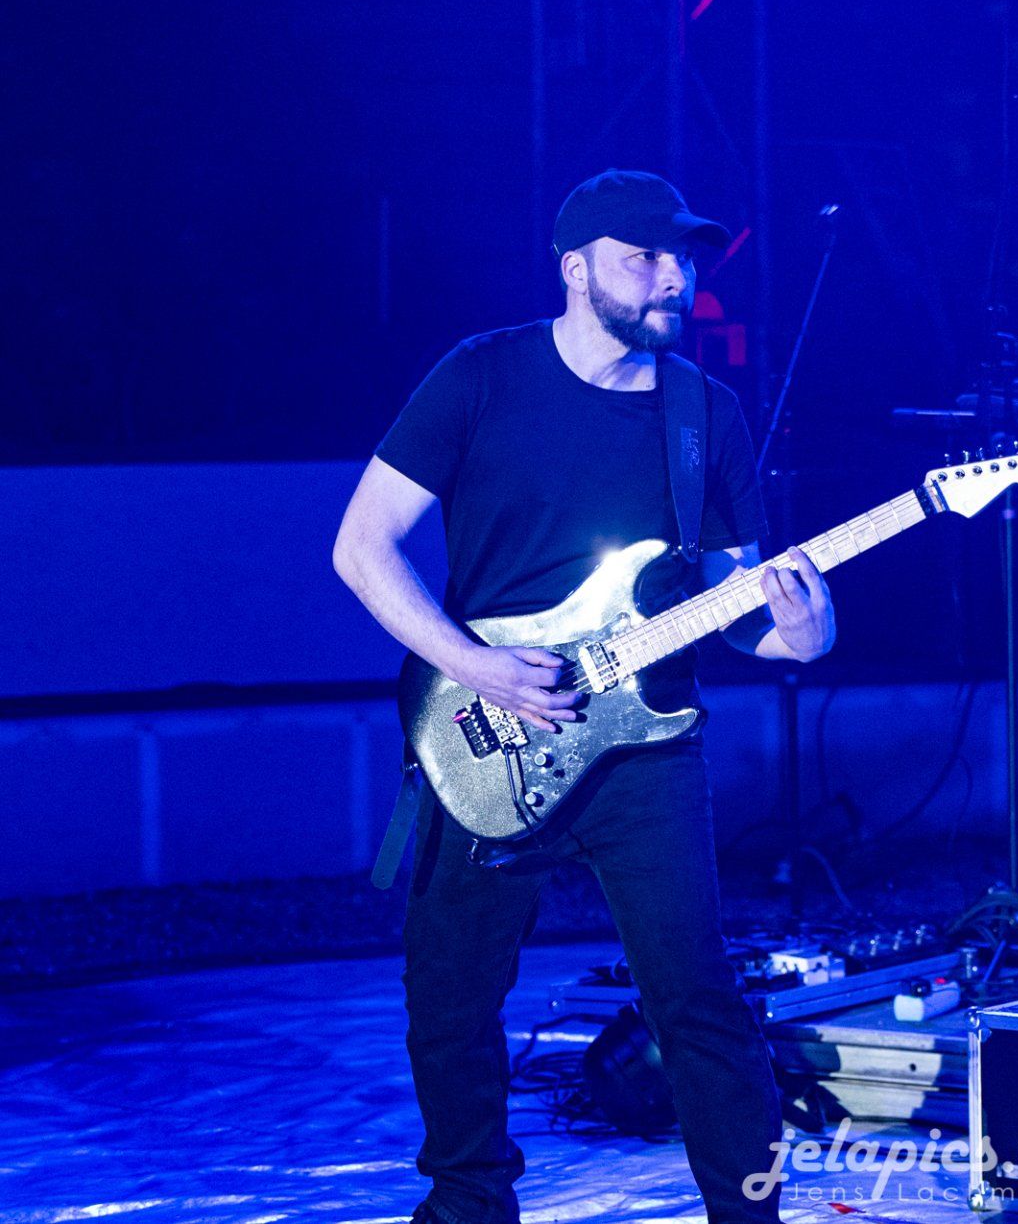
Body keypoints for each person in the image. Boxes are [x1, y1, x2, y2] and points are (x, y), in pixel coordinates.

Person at [333, 169, 833, 1224]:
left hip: (647, 750)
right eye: (644, 256)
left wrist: (799, 631)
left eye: (681, 257)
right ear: (575, 268)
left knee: (696, 997)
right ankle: (468, 1207)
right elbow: (362, 547)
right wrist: (472, 662)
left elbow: (735, 603)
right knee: (451, 999)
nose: (673, 277)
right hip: (484, 730)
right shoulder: (479, 377)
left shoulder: (704, 413)